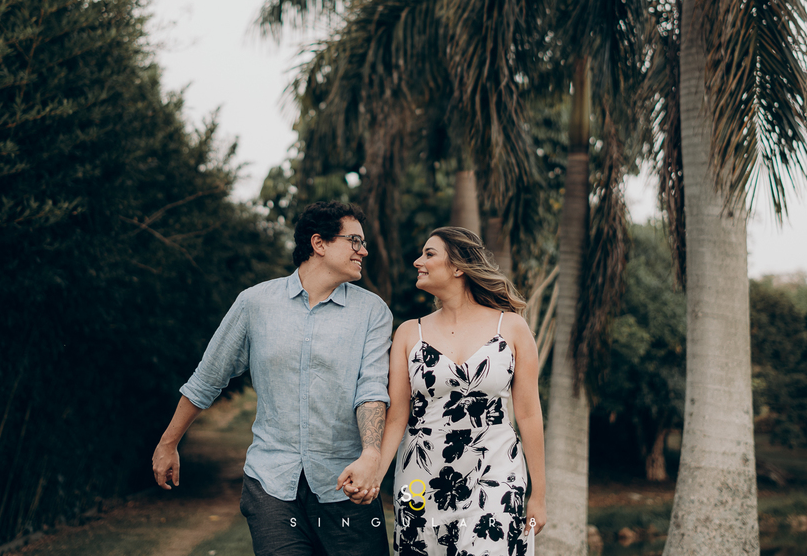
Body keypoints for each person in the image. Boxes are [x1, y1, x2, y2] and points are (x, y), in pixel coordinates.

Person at [151, 200, 392, 556]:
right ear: (319, 243)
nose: (364, 250)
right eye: (354, 241)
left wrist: (371, 453)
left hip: (347, 484)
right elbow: (207, 378)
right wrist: (168, 443)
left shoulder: (372, 311)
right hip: (271, 484)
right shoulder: (254, 304)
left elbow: (371, 389)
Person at [378, 226, 546, 556]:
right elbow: (397, 416)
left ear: (458, 267)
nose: (417, 262)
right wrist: (374, 476)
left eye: (429, 254)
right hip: (420, 479)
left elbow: (528, 414)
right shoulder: (409, 333)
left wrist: (538, 495)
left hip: (495, 474)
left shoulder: (511, 327)